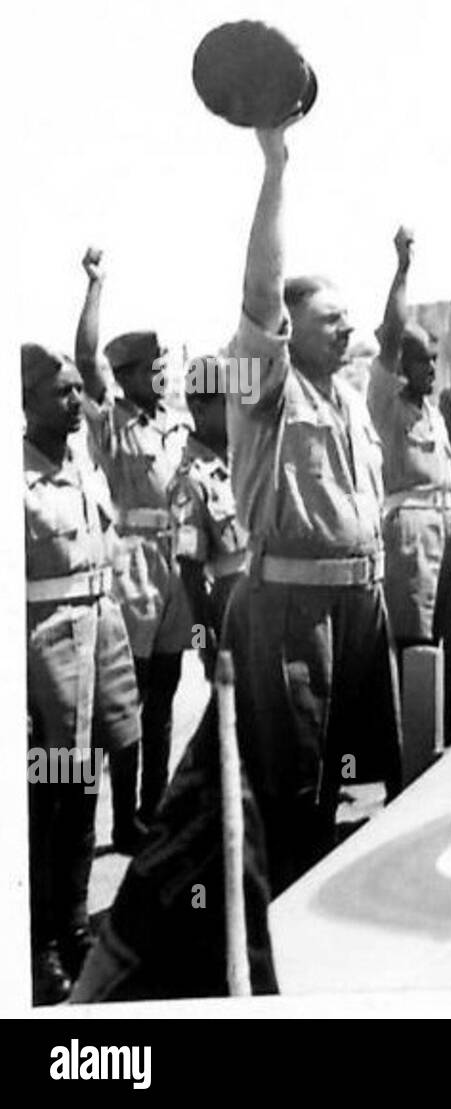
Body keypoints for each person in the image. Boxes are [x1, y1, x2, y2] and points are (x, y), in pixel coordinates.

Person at [222, 116, 402, 894]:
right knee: (294, 783)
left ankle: (347, 899)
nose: (350, 331)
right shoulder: (265, 384)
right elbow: (262, 291)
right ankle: (283, 916)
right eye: (334, 321)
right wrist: (275, 166)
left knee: (373, 774)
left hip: (363, 604)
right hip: (296, 609)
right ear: (289, 334)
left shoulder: (347, 395)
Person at [23, 343, 142, 1004]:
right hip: (46, 662)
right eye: (60, 392)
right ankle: (43, 943)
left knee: (85, 795)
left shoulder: (86, 459)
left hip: (97, 642)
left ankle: (73, 929)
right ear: (26, 400)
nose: (74, 401)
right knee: (53, 803)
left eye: (77, 390)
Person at [73, 248, 189, 849]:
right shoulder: (112, 421)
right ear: (131, 374)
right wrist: (96, 286)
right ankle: (123, 821)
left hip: (174, 565)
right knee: (130, 697)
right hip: (135, 568)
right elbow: (85, 361)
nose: (163, 375)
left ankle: (153, 807)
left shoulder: (172, 423)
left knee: (165, 692)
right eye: (154, 368)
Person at [369, 226, 451, 659]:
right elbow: (390, 334)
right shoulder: (387, 405)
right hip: (411, 531)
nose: (432, 368)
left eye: (435, 360)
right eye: (423, 359)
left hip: (445, 524)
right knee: (413, 643)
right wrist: (402, 269)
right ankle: (409, 726)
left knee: (445, 639)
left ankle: (443, 725)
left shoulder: (433, 413)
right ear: (402, 364)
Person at [169, 355, 248, 678]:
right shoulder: (190, 481)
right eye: (229, 401)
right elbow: (190, 575)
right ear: (199, 408)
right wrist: (204, 645)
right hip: (232, 616)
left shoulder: (246, 460)